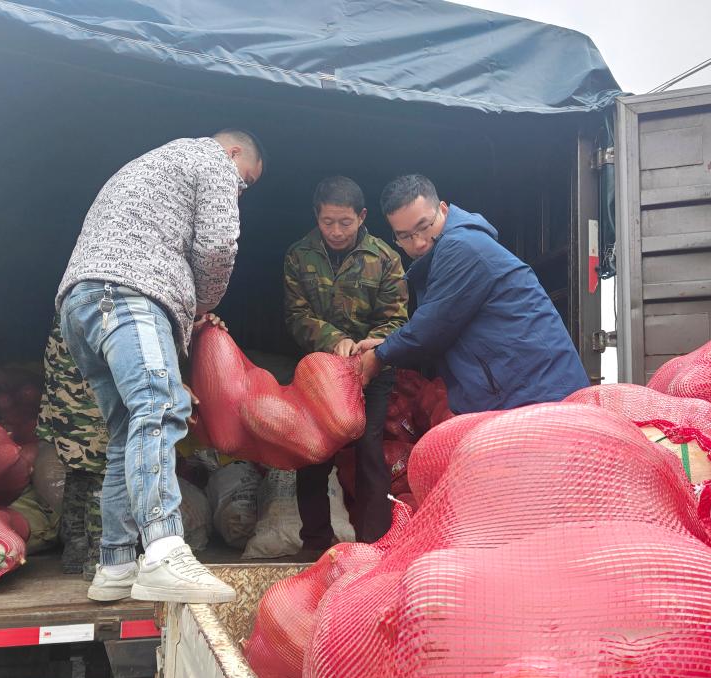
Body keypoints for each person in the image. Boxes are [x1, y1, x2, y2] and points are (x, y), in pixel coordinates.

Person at [55, 129, 264, 603]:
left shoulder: (151, 164)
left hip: (82, 305)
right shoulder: (211, 159)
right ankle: (164, 550)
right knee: (160, 406)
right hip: (127, 294)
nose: (240, 192)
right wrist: (203, 305)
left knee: (125, 434)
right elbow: (218, 246)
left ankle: (116, 563)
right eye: (245, 181)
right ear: (233, 153)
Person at [357, 174, 590, 412]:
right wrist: (388, 344)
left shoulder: (461, 246)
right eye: (404, 236)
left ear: (443, 209)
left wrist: (380, 355)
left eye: (424, 227)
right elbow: (437, 323)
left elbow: (431, 328)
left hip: (542, 393)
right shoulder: (452, 247)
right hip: (524, 394)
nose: (418, 243)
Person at [283, 176, 408, 555]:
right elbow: (296, 315)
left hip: (372, 373)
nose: (336, 231)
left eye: (345, 223)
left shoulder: (384, 258)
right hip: (318, 373)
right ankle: (314, 545)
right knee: (313, 455)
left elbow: (396, 320)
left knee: (369, 452)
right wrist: (333, 340)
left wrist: (368, 352)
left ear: (362, 216)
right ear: (316, 216)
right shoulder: (299, 256)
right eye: (328, 222)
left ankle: (374, 547)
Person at [35, 315, 108, 581]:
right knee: (102, 473)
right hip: (89, 394)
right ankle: (100, 556)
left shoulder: (68, 306)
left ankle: (75, 549)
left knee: (79, 471)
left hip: (66, 389)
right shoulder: (105, 304)